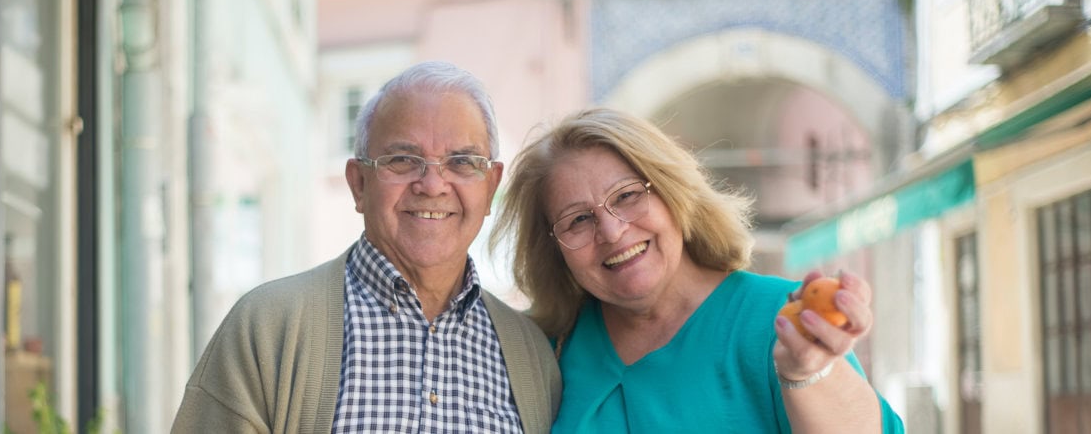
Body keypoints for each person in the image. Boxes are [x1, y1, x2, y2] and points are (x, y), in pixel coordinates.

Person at [171, 61, 561, 433]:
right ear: (359, 183)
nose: (432, 184)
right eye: (403, 160)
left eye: (461, 162)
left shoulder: (532, 357)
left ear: (491, 186)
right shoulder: (268, 327)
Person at [489, 108, 904, 433]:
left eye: (629, 195)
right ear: (553, 249)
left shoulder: (782, 321)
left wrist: (809, 374)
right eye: (578, 220)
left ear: (673, 194)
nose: (612, 231)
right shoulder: (546, 350)